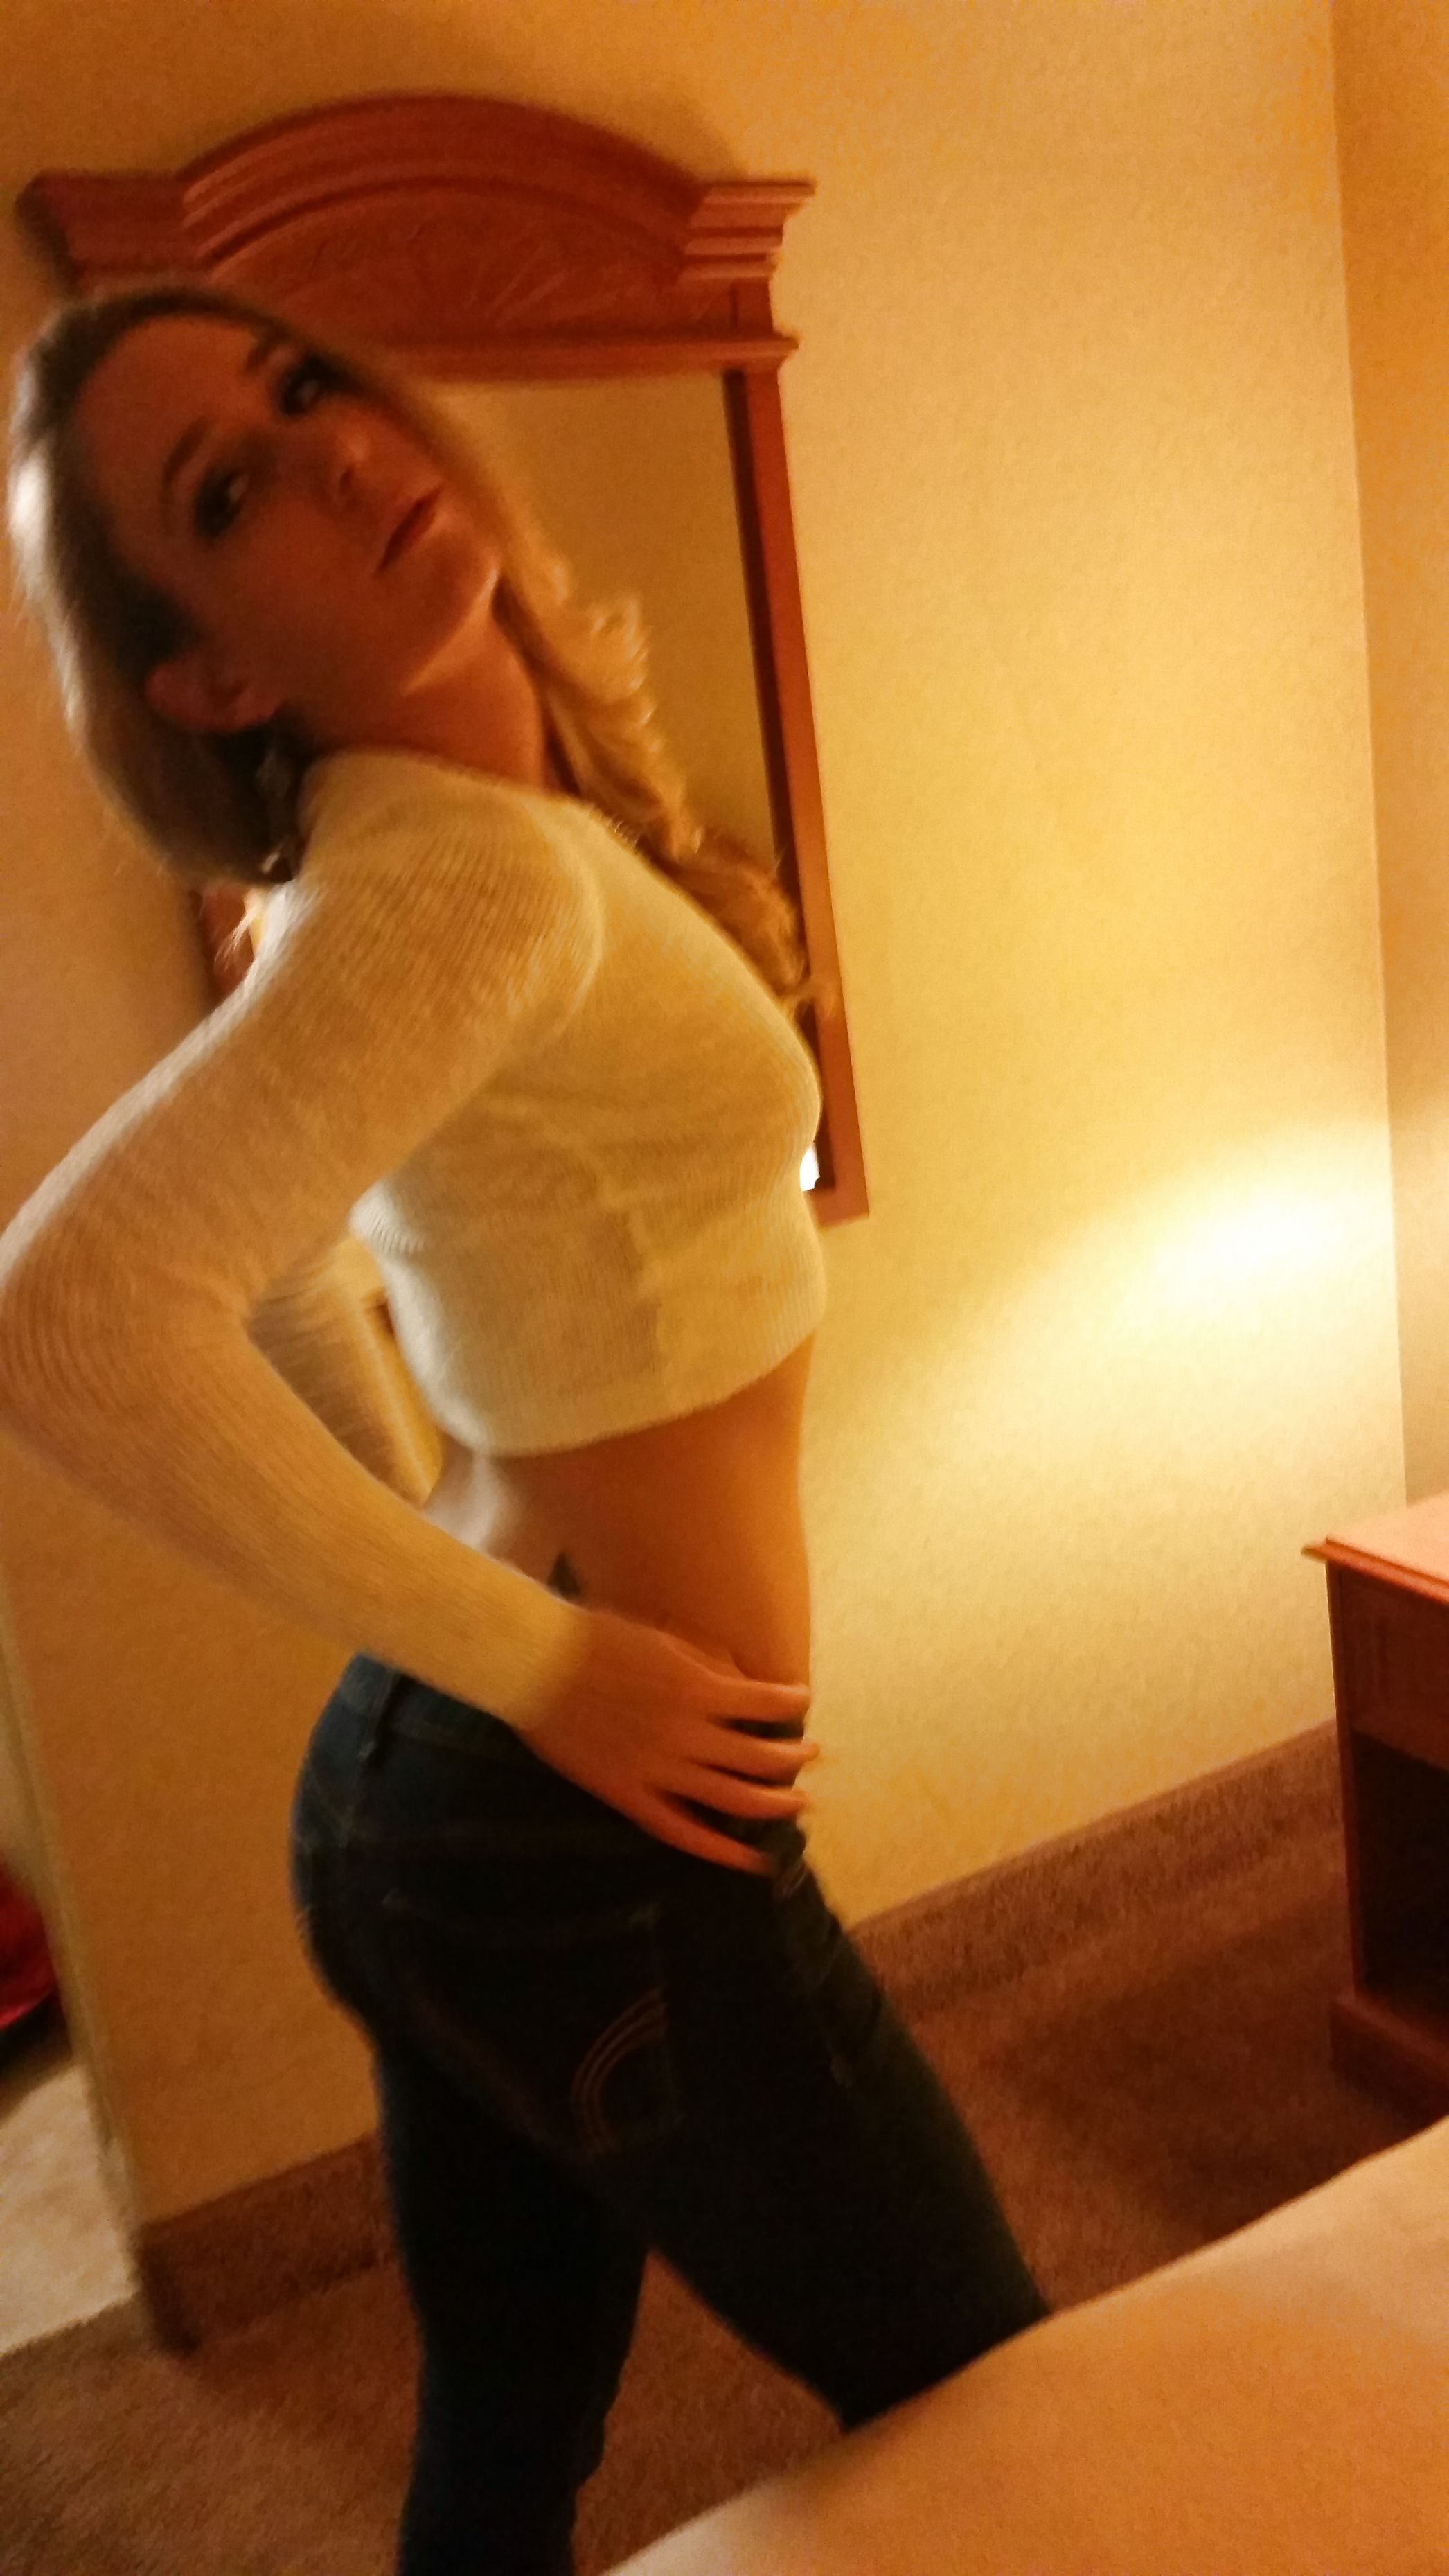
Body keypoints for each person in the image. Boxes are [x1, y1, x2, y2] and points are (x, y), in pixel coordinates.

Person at [0, 281, 1047, 2576]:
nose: (329, 451)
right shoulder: (454, 883)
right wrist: (543, 1663)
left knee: (503, 2423)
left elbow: (284, 1261)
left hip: (443, 1813)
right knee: (1005, 2396)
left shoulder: (452, 846)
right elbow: (65, 1324)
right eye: (226, 495)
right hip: (563, 1843)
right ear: (208, 678)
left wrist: (456, 1603)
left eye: (300, 386)